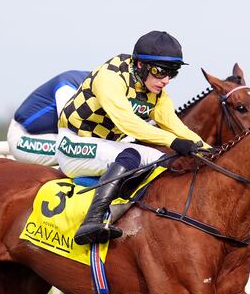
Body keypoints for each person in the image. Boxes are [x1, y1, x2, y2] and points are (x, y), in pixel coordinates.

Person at [56, 30, 209, 245]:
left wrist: (210, 150)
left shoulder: (158, 95)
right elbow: (126, 122)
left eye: (172, 73)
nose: (165, 80)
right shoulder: (110, 77)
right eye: (159, 71)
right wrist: (172, 141)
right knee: (133, 155)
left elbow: (177, 127)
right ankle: (91, 222)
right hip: (72, 145)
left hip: (104, 145)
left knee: (160, 160)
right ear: (140, 65)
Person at [7, 70, 89, 166]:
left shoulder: (92, 82)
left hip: (51, 135)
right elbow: (73, 130)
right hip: (24, 137)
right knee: (83, 151)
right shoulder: (67, 88)